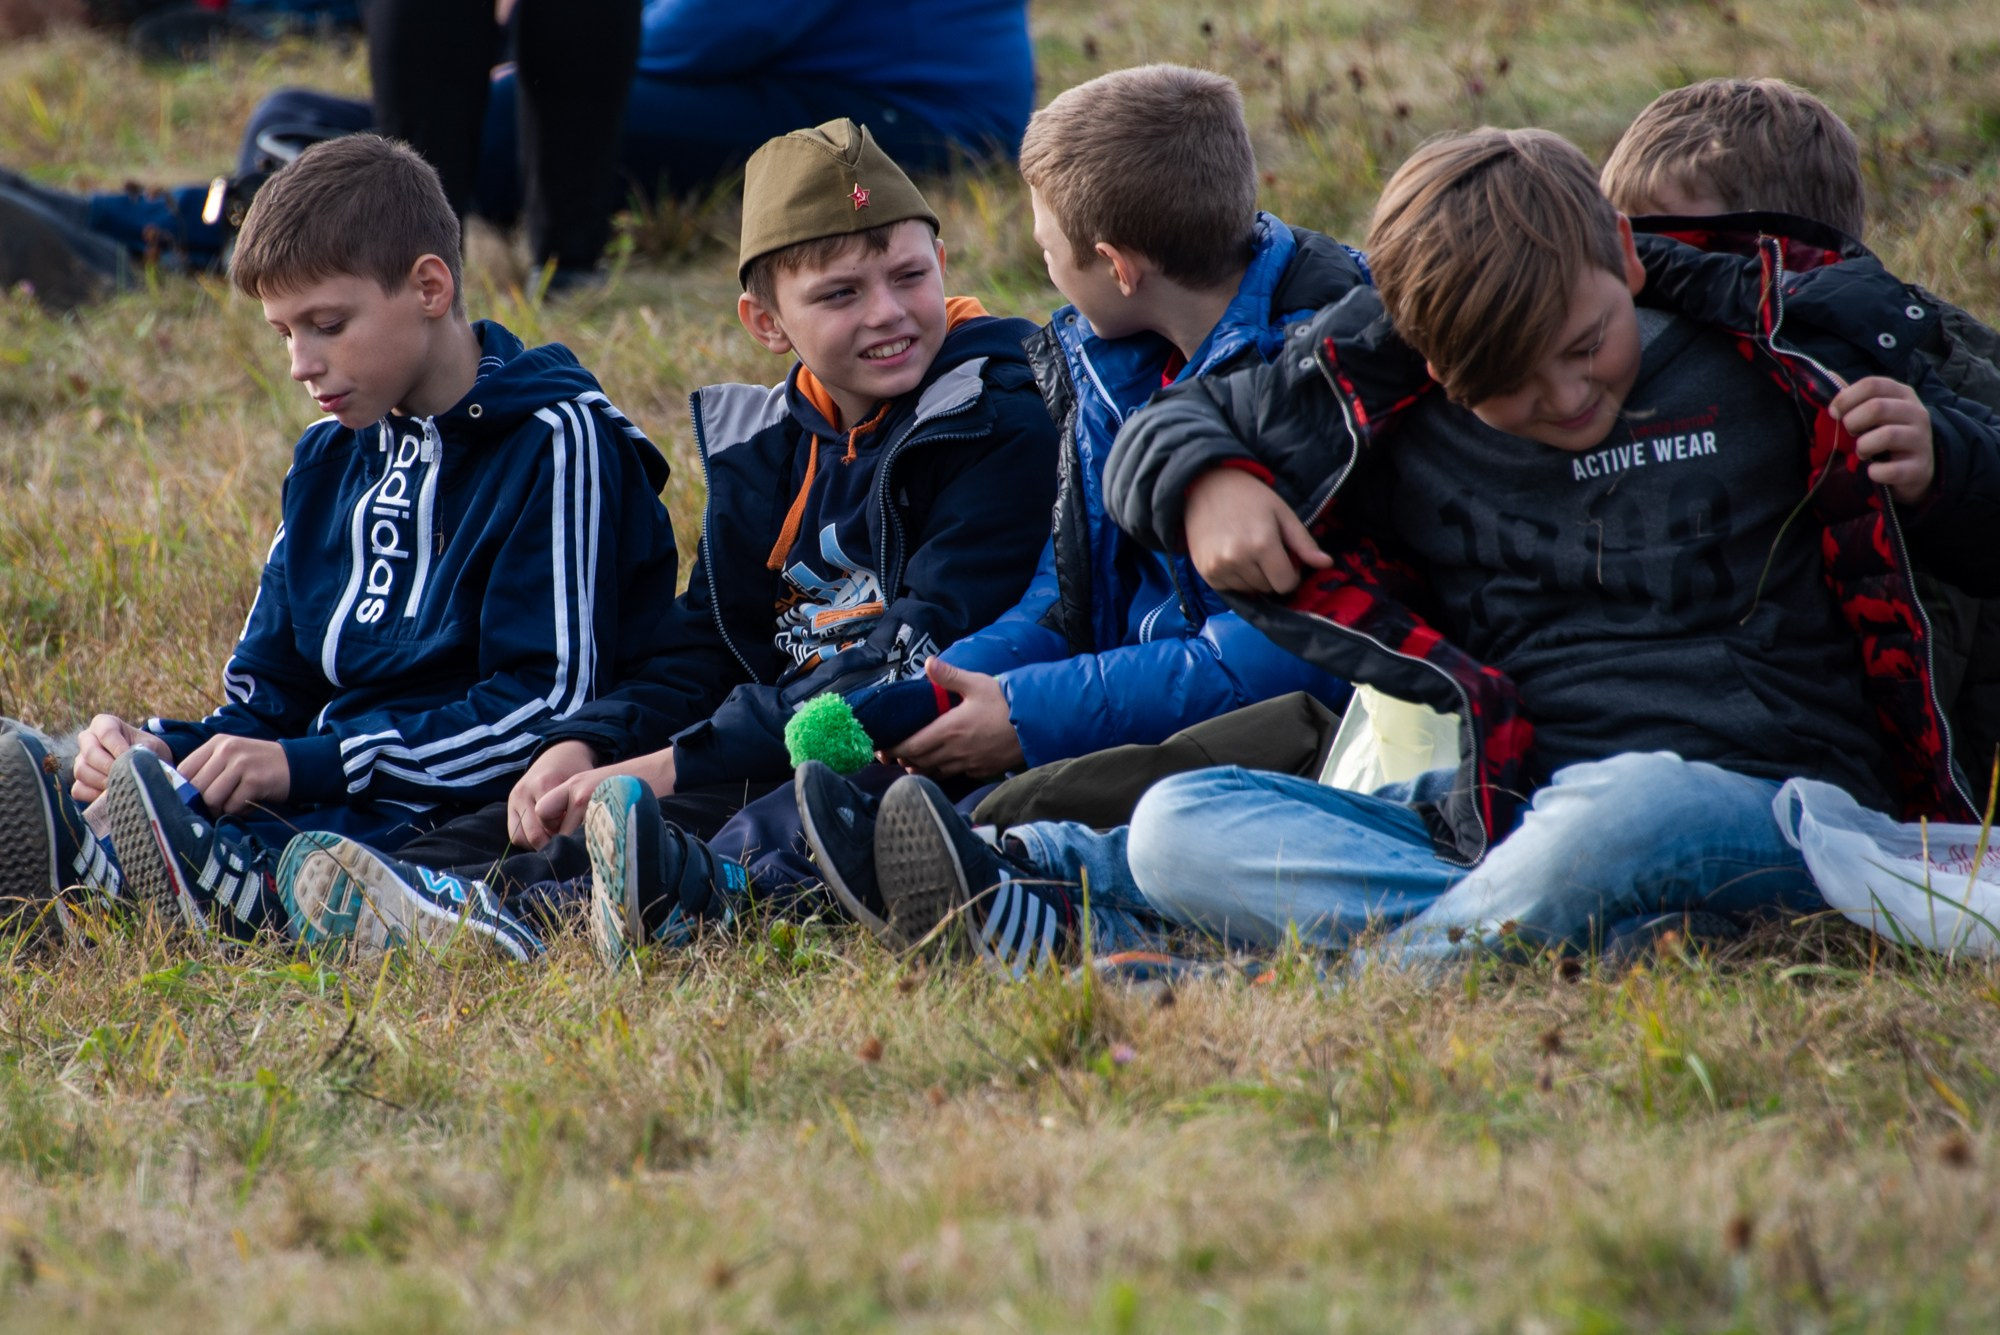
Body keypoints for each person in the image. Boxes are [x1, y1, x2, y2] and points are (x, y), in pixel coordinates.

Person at [818, 125, 2000, 977]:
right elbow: (1181, 429)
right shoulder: (1378, 389)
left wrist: (1944, 463)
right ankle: (1575, 938)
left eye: (1586, 343)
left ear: (1629, 265)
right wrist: (1203, 481)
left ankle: (1317, 979)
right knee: (1184, 825)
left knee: (1627, 806)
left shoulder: (1779, 350)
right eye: (1502, 386)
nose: (1562, 392)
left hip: (1779, 813)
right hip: (1508, 819)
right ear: (1425, 365)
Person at [272, 119, 1059, 964]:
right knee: (522, 813)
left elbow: (918, 646)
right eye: (841, 294)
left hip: (889, 745)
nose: (890, 313)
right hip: (762, 735)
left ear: (942, 267)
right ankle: (411, 889)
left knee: (698, 821)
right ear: (766, 322)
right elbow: (707, 641)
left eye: (909, 275)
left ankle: (512, 922)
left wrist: (669, 764)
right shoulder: (769, 442)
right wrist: (593, 741)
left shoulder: (994, 415)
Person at [0, 134, 680, 950]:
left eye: (326, 324)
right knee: (85, 768)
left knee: (305, 856)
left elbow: (546, 709)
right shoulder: (328, 458)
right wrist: (162, 747)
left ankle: (138, 889)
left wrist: (310, 765)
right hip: (339, 782)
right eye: (284, 333)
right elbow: (266, 697)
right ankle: (96, 866)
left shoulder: (558, 441)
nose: (300, 363)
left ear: (429, 286)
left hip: (464, 807)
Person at [0, 0, 1035, 299]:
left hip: (891, 116)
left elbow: (689, 33)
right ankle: (128, 217)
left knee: (470, 123)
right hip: (817, 79)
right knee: (300, 108)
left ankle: (136, 237)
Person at [1598, 76, 2000, 784]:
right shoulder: (1602, 370)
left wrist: (1942, 463)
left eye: (1687, 251)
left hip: (1900, 768)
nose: (1655, 284)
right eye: (1629, 255)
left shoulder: (1917, 356)